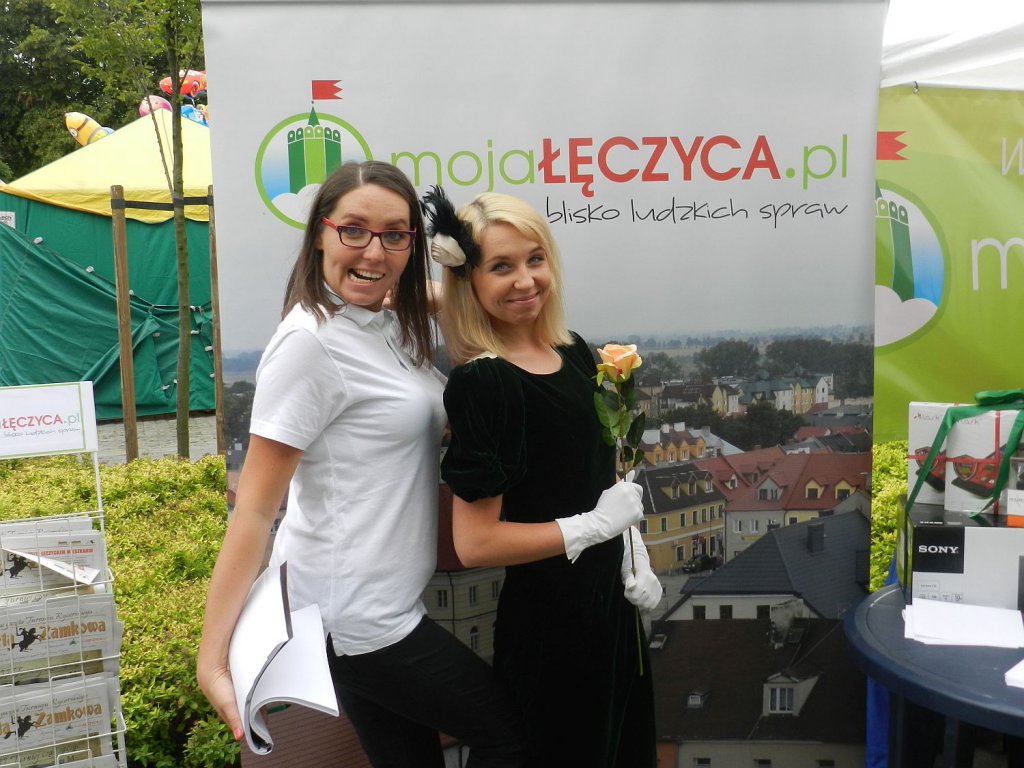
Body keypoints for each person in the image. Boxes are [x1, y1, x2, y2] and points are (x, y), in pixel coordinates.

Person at [197, 161, 536, 768]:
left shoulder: (384, 322)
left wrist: (481, 278)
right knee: (509, 735)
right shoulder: (309, 344)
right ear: (320, 234)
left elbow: (436, 294)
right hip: (356, 620)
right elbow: (254, 510)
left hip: (375, 608)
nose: (373, 252)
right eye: (353, 230)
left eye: (394, 235)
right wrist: (212, 659)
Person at [423, 187, 662, 768]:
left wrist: (630, 548)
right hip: (553, 631)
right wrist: (595, 527)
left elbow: (593, 477)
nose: (525, 280)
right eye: (501, 266)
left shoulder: (574, 352)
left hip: (612, 614)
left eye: (535, 259)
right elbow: (475, 544)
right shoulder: (485, 384)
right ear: (469, 277)